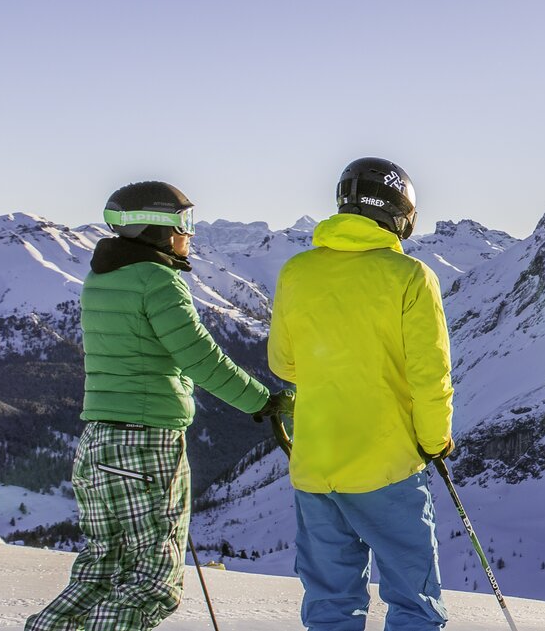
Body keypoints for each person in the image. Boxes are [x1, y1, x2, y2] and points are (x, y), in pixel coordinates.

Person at [27, 181, 292, 631]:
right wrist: (264, 401)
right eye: (185, 222)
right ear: (158, 228)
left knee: (101, 570)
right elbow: (200, 356)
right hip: (146, 444)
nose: (190, 234)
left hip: (96, 444)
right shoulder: (160, 282)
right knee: (153, 582)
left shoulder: (101, 278)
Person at [269, 157, 455, 630]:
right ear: (400, 212)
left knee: (331, 604)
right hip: (386, 465)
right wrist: (435, 443)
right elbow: (429, 378)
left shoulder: (296, 271)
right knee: (414, 602)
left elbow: (283, 364)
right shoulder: (410, 276)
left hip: (315, 466)